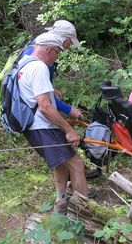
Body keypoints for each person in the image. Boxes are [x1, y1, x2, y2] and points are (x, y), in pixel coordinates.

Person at [17, 32, 90, 213]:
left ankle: (61, 205)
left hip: (36, 127)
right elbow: (45, 106)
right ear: (49, 50)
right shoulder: (40, 68)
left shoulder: (24, 63)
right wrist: (69, 129)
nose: (57, 57)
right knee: (77, 165)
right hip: (42, 127)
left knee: (61, 164)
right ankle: (85, 213)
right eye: (57, 52)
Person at [21, 19, 83, 119]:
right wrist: (70, 110)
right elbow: (43, 101)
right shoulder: (38, 57)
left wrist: (51, 89)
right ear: (64, 39)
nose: (70, 46)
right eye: (70, 42)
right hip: (31, 117)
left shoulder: (42, 49)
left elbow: (37, 85)